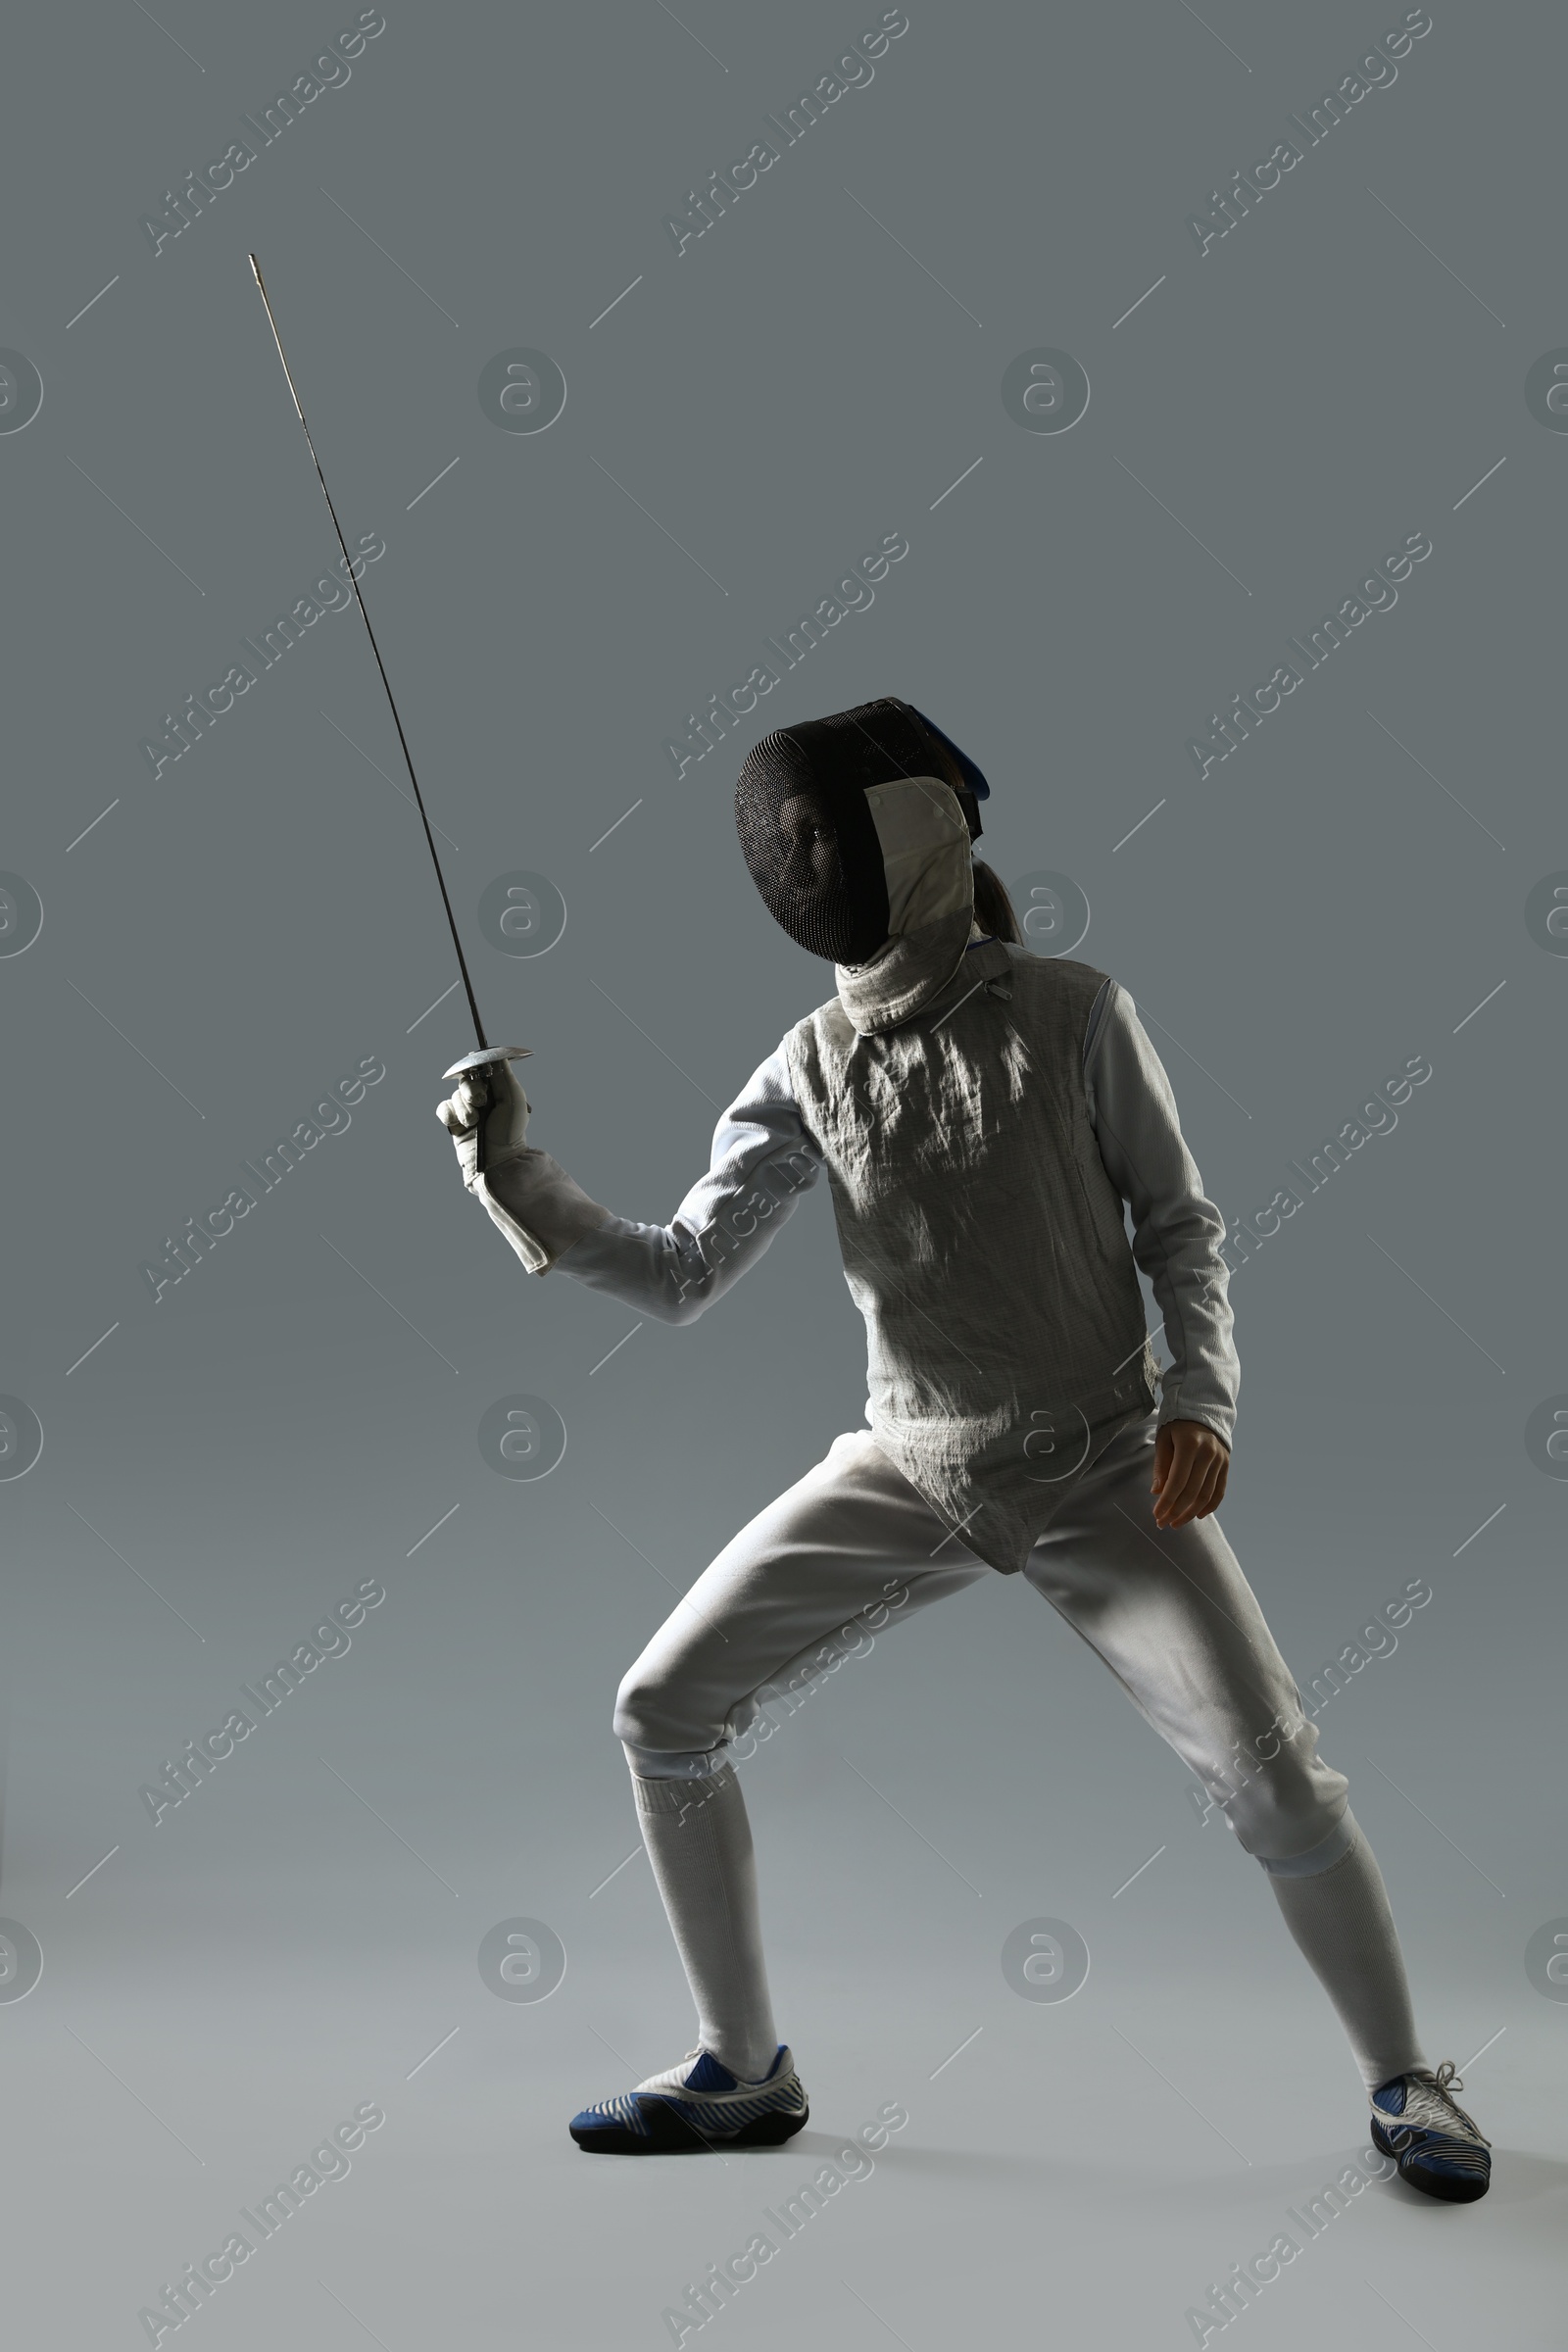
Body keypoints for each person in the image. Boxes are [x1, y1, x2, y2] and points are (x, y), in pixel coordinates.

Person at [437, 697, 1489, 2199]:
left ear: (916, 832)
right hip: (912, 1468)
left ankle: (1406, 2079)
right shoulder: (809, 1064)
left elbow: (1181, 1227)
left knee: (1282, 1787)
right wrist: (516, 1178)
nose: (800, 860)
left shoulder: (1075, 1013)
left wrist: (1202, 1400)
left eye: (823, 830)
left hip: (1106, 1462)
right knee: (662, 1707)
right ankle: (744, 2072)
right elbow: (679, 1271)